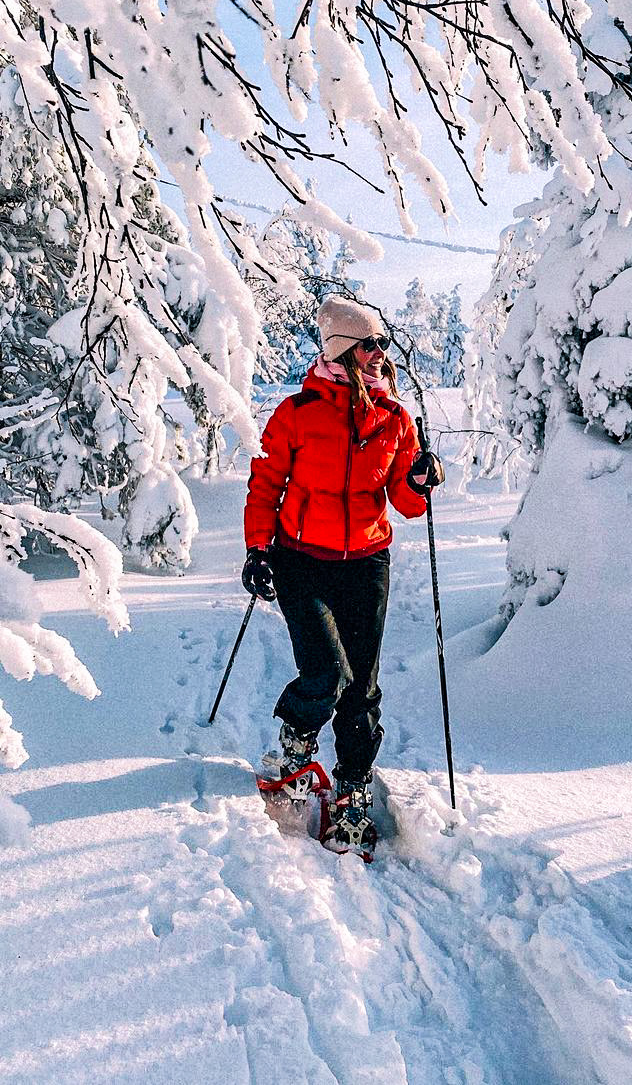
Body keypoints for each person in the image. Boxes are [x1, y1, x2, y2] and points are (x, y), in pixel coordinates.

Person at [241, 294, 444, 855]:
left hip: (367, 565)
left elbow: (406, 503)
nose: (380, 353)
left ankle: (352, 787)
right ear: (342, 351)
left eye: (382, 343)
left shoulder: (395, 419)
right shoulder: (297, 413)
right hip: (301, 560)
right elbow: (265, 485)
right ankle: (293, 753)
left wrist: (419, 480)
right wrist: (257, 550)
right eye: (369, 344)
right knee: (326, 672)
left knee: (362, 687)